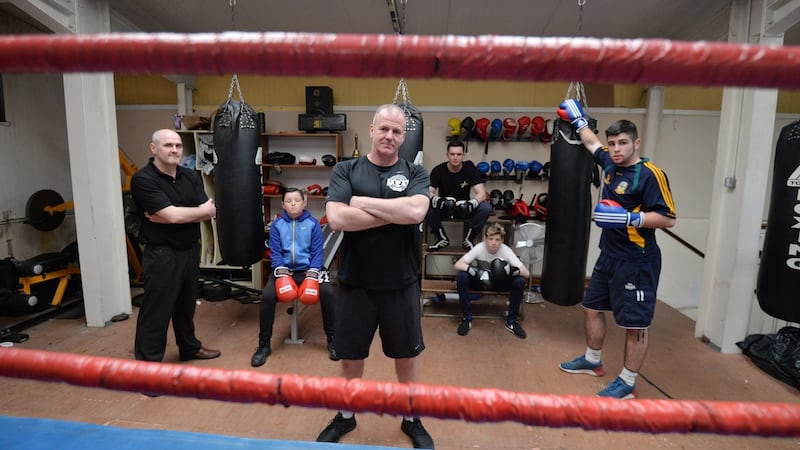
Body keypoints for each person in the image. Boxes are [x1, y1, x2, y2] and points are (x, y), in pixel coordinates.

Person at [316, 104, 434, 449]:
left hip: (401, 282)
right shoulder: (346, 169)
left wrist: (361, 203)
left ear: (404, 136)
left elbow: (415, 212)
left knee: (406, 357)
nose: (390, 136)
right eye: (384, 129)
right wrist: (395, 213)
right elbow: (337, 219)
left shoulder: (416, 173)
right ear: (371, 130)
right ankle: (346, 415)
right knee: (351, 356)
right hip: (356, 282)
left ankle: (411, 418)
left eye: (397, 131)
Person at [556, 99, 677, 400]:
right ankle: (592, 361)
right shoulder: (609, 163)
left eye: (623, 143)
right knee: (592, 307)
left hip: (637, 260)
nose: (616, 149)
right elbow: (590, 142)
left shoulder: (650, 174)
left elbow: (669, 219)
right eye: (612, 143)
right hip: (608, 254)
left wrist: (629, 217)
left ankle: (628, 382)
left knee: (635, 323)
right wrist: (579, 121)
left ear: (636, 143)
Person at [131, 129, 220, 365]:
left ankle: (189, 348)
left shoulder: (190, 176)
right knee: (156, 311)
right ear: (154, 148)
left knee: (186, 306)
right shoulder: (143, 179)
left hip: (190, 250)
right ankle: (148, 367)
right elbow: (175, 216)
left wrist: (179, 214)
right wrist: (180, 214)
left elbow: (208, 210)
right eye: (168, 145)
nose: (174, 150)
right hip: (162, 253)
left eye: (178, 146)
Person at [251, 187, 337, 367]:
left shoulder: (313, 223)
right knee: (267, 297)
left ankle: (333, 340)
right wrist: (281, 270)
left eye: (297, 200)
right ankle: (263, 345)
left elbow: (317, 252)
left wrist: (313, 272)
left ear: (304, 203)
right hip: (284, 271)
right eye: (289, 201)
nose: (293, 204)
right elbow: (275, 251)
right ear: (283, 204)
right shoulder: (277, 225)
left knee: (328, 294)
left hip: (310, 270)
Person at [453, 223, 530, 339]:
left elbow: (526, 273)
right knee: (461, 276)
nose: (493, 243)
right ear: (485, 238)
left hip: (499, 283)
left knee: (519, 281)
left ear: (502, 240)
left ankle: (511, 321)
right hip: (481, 282)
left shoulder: (506, 251)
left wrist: (511, 271)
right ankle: (467, 319)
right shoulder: (479, 248)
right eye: (491, 239)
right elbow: (458, 264)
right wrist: (474, 271)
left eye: (497, 239)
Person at [426, 140, 492, 251]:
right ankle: (441, 237)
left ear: (463, 155)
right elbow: (427, 191)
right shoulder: (439, 170)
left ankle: (469, 238)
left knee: (486, 207)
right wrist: (437, 200)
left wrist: (472, 202)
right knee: (423, 204)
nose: (455, 157)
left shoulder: (470, 168)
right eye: (452, 154)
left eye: (459, 154)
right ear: (447, 155)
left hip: (465, 209)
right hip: (445, 208)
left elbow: (482, 193)